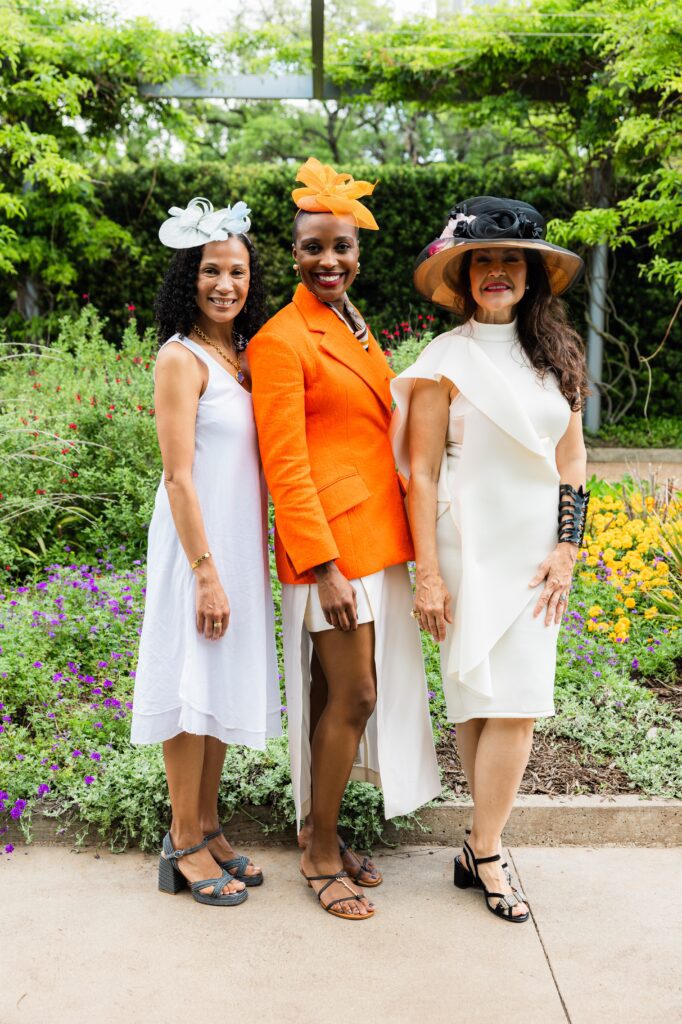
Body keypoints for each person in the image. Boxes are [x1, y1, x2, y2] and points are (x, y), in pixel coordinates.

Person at [248, 158, 441, 921]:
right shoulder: (279, 338)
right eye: (313, 249)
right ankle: (320, 853)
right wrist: (323, 566)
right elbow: (284, 465)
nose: (329, 261)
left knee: (338, 693)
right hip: (331, 550)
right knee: (356, 693)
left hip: (375, 537)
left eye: (342, 247)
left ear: (359, 251)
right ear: (292, 253)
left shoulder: (352, 324)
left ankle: (317, 827)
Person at [391, 196, 589, 923]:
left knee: (520, 704)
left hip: (537, 559)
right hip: (466, 551)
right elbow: (423, 474)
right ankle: (483, 849)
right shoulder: (442, 363)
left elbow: (573, 462)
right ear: (464, 274)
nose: (499, 272)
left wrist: (567, 549)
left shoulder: (559, 358)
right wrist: (429, 575)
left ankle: (485, 845)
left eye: (513, 260)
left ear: (532, 275)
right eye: (485, 261)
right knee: (477, 699)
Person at [131, 197, 281, 907]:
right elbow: (179, 474)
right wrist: (206, 573)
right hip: (197, 550)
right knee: (191, 688)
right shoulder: (179, 358)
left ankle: (210, 826)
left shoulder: (243, 356)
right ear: (187, 277)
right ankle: (181, 840)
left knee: (217, 689)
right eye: (211, 270)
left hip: (237, 545)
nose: (226, 283)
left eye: (238, 271)